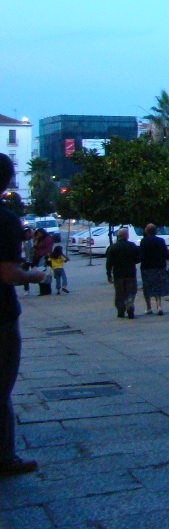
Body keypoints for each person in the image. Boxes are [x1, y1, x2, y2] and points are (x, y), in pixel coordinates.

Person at [0, 154, 48, 477]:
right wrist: (37, 276)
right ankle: (5, 458)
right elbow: (8, 273)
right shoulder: (6, 220)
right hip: (0, 315)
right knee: (1, 387)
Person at [105, 227, 141, 319]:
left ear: (118, 236)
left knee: (119, 293)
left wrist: (109, 274)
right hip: (130, 273)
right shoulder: (132, 246)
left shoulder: (112, 247)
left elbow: (109, 263)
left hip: (118, 274)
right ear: (127, 236)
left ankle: (120, 310)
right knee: (131, 291)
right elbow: (139, 258)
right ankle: (129, 303)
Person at [139, 224, 169, 315]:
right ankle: (159, 306)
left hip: (147, 267)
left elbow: (141, 255)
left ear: (146, 231)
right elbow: (166, 254)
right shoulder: (161, 241)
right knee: (158, 286)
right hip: (159, 267)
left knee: (147, 287)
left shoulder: (143, 241)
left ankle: (149, 307)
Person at [32, 229, 54, 296]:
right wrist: (36, 240)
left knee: (45, 274)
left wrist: (48, 256)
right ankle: (42, 290)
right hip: (37, 257)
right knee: (39, 274)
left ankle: (47, 290)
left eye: (40, 234)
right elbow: (34, 247)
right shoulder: (38, 239)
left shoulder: (47, 238)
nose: (39, 235)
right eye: (37, 234)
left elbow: (49, 247)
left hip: (44, 257)